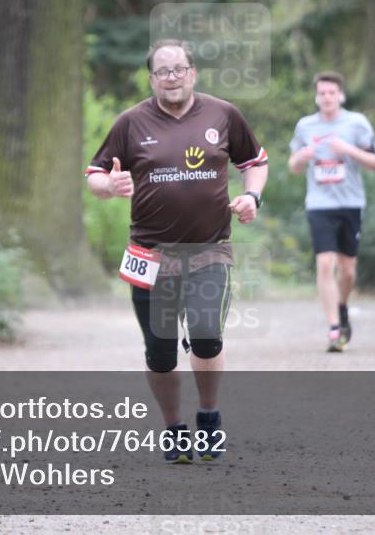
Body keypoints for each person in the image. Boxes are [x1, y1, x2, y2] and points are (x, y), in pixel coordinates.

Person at [85, 39, 268, 463]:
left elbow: (255, 161)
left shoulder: (223, 114)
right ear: (151, 78)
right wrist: (109, 186)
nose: (171, 77)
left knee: (206, 334)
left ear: (193, 73)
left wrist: (252, 197)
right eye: (162, 71)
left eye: (178, 69)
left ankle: (208, 416)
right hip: (150, 256)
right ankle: (173, 428)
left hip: (209, 251)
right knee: (161, 351)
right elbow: (94, 175)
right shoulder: (130, 123)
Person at [288, 71, 375, 352]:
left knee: (348, 270)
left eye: (332, 93)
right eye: (322, 93)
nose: (327, 98)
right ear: (316, 96)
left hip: (351, 203)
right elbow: (293, 167)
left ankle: (342, 306)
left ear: (341, 95)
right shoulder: (305, 126)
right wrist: (300, 158)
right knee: (325, 263)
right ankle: (333, 328)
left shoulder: (356, 123)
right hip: (319, 204)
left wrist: (348, 150)